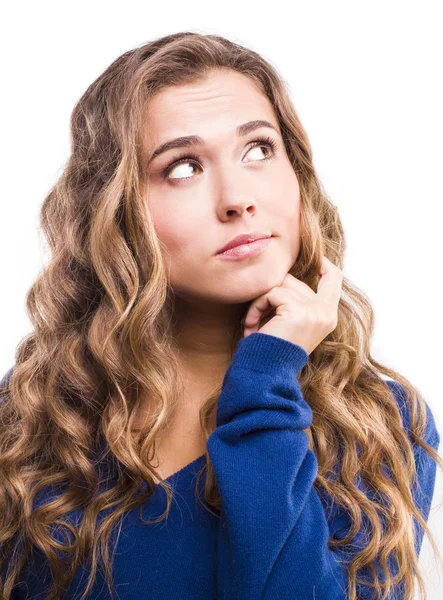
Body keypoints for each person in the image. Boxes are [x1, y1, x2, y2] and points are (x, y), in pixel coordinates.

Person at [0, 31, 441, 600]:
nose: (238, 198)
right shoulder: (31, 419)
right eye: (183, 167)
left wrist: (264, 380)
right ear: (115, 210)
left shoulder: (380, 426)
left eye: (259, 150)